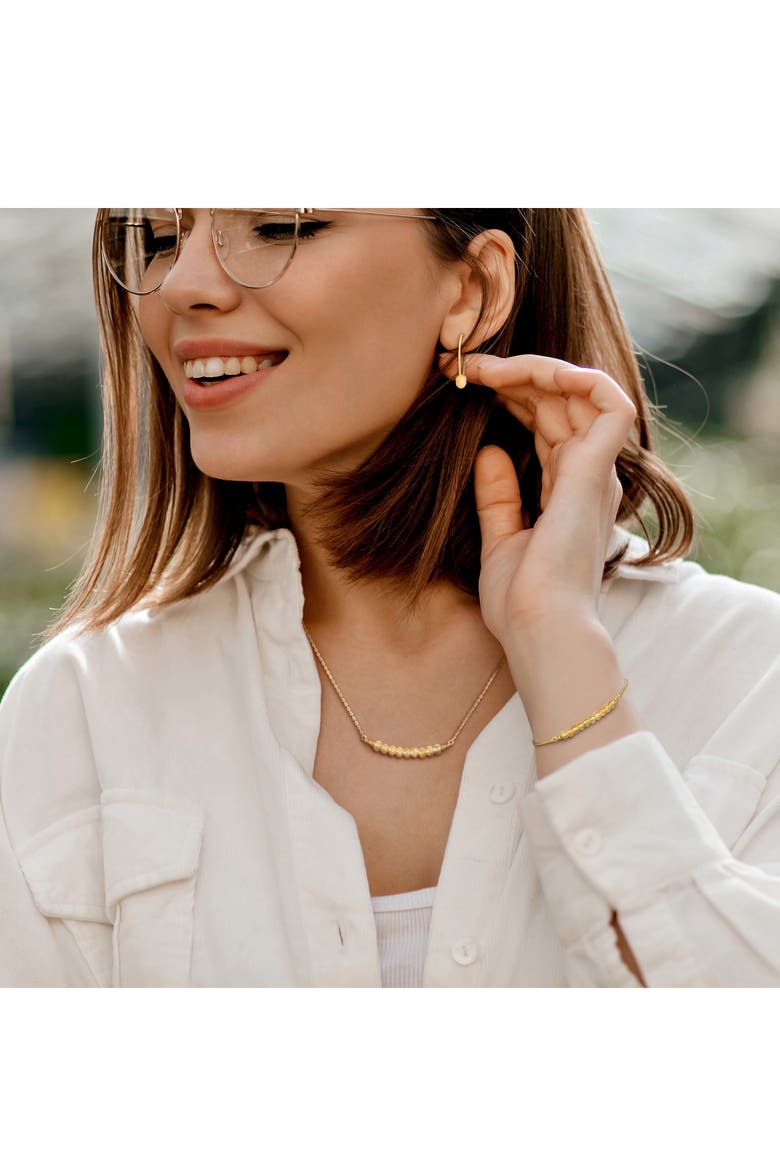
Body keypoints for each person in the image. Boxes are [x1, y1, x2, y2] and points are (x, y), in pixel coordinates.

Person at [1, 207, 779, 988]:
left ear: (473, 289)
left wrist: (565, 661)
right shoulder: (83, 714)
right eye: (161, 238)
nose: (186, 285)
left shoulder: (749, 684)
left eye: (279, 225)